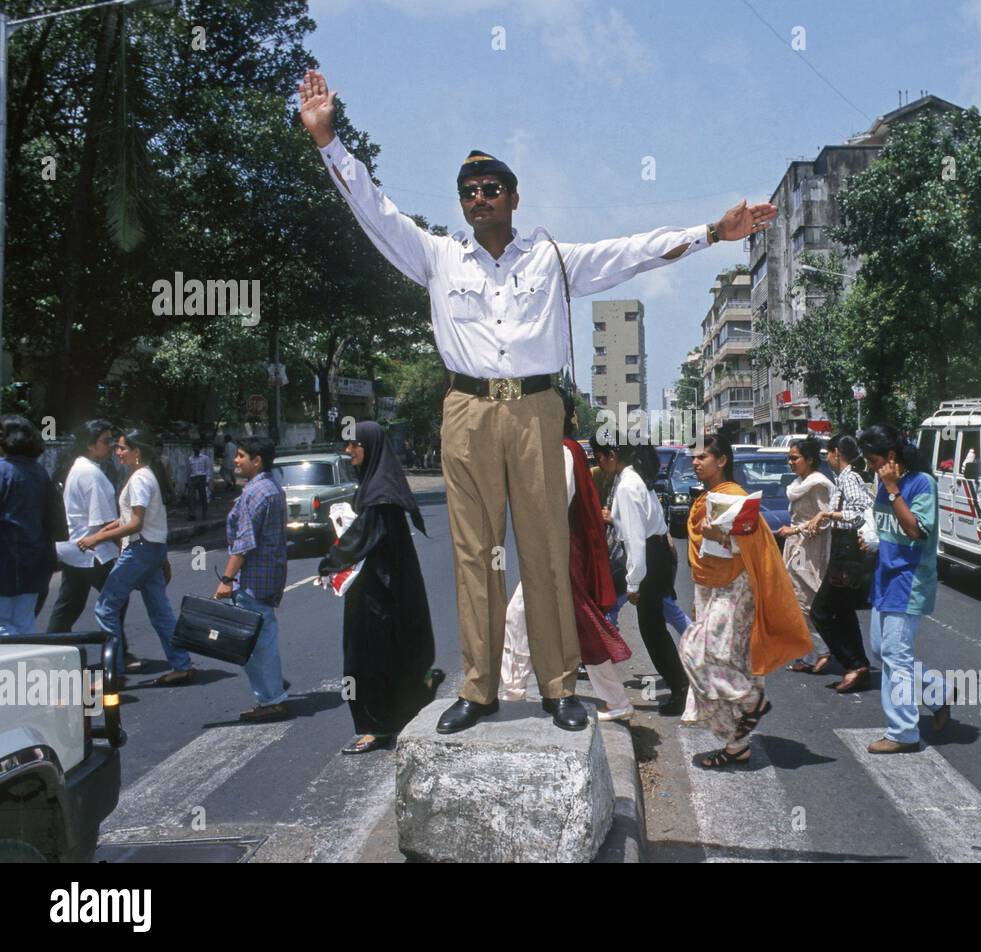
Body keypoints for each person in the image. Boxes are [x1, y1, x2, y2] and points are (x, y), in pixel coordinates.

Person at [299, 67, 774, 734]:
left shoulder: (551, 257)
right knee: (475, 554)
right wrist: (329, 143)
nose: (479, 198)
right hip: (466, 413)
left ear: (514, 198)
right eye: (468, 192)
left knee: (547, 549)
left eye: (491, 188)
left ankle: (558, 688)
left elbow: (631, 253)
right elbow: (373, 211)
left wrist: (712, 232)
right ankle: (480, 688)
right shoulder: (437, 258)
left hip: (536, 410)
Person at [500, 395, 634, 721]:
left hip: (558, 554)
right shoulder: (564, 448)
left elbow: (555, 504)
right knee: (572, 625)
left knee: (524, 618)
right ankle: (514, 693)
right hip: (559, 552)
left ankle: (513, 695)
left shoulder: (561, 450)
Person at [680, 434, 809, 768]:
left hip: (737, 587)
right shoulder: (705, 498)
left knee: (698, 652)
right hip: (712, 588)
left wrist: (719, 534)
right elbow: (702, 555)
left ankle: (752, 702)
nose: (695, 463)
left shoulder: (736, 498)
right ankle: (737, 746)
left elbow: (750, 544)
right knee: (735, 663)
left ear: (721, 460)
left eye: (702, 457)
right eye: (693, 457)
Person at [318, 421, 443, 754]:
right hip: (386, 591)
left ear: (369, 447)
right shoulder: (379, 485)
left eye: (353, 445)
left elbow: (363, 538)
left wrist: (330, 561)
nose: (348, 451)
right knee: (392, 655)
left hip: (378, 597)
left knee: (366, 661)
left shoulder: (379, 494)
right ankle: (406, 707)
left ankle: (377, 727)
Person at [859, 424, 949, 753]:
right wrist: (872, 542)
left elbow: (915, 531)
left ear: (891, 457)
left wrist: (893, 489)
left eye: (873, 460)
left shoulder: (921, 484)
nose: (870, 467)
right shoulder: (883, 485)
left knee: (896, 656)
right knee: (882, 651)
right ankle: (937, 692)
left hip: (909, 581)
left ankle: (903, 732)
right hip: (885, 578)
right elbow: (887, 527)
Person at [592, 432, 690, 716]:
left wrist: (633, 583)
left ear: (612, 455)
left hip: (650, 557)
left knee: (653, 631)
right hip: (657, 555)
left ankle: (680, 689)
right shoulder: (635, 479)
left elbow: (635, 541)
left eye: (600, 458)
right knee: (656, 626)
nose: (600, 464)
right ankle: (682, 685)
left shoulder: (627, 485)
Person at [85, 428, 191, 683]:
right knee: (160, 611)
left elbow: (136, 524)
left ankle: (115, 672)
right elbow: (127, 519)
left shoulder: (141, 478)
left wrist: (97, 539)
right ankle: (182, 664)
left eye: (122, 447)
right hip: (151, 549)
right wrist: (106, 529)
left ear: (137, 452)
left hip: (140, 548)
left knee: (105, 608)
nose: (117, 451)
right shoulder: (142, 475)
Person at [213, 436, 291, 721]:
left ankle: (272, 698)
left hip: (255, 577)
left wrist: (226, 579)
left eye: (241, 455)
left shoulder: (257, 493)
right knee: (260, 637)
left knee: (256, 641)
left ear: (256, 461)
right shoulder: (269, 487)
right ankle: (272, 684)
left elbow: (244, 543)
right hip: (268, 572)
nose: (235, 460)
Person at [46, 421, 133, 664]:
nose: (111, 447)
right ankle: (118, 654)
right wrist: (122, 546)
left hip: (77, 550)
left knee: (69, 605)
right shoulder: (92, 474)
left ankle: (50, 652)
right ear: (90, 445)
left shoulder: (80, 467)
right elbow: (105, 521)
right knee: (116, 599)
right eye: (106, 442)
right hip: (93, 551)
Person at [804, 434, 874, 693]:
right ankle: (858, 666)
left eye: (828, 454)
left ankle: (853, 663)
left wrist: (827, 513)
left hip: (848, 552)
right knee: (844, 612)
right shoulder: (842, 479)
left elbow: (860, 512)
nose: (827, 459)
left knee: (820, 611)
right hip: (840, 548)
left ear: (836, 453)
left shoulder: (850, 478)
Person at [0, 415, 63, 636]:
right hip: (35, 562)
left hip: (6, 563)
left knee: (3, 624)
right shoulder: (40, 473)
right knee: (24, 623)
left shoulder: (3, 471)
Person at [779, 438, 836, 673]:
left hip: (811, 550)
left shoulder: (818, 484)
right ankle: (809, 654)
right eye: (789, 457)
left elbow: (825, 520)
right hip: (796, 548)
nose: (790, 462)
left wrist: (795, 529)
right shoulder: (798, 484)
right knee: (793, 599)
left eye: (795, 458)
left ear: (810, 460)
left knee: (806, 600)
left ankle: (823, 650)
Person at [186, 442, 213, 521]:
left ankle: (204, 513)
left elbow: (208, 469)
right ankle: (192, 514)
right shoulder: (190, 459)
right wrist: (187, 481)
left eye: (197, 446)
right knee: (191, 496)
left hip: (202, 478)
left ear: (200, 448)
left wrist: (207, 480)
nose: (196, 448)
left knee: (203, 496)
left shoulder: (205, 458)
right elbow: (188, 471)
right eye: (194, 446)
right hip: (192, 478)